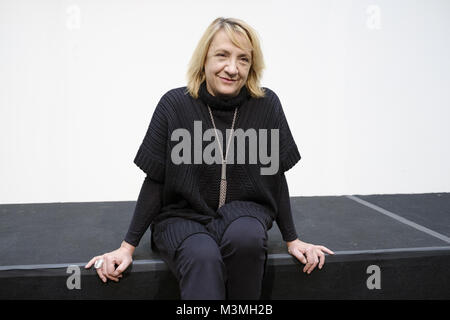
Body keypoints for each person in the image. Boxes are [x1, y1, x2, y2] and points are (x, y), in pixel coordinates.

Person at [85, 17, 334, 300]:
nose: (232, 68)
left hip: (244, 212)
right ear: (204, 58)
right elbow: (155, 179)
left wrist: (293, 239)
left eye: (243, 59)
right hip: (182, 217)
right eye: (222, 55)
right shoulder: (174, 105)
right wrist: (126, 247)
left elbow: (275, 175)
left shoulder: (266, 105)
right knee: (202, 256)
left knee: (247, 239)